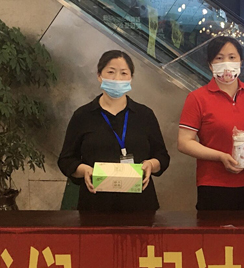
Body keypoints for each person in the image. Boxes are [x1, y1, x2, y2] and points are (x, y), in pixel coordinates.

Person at [58, 50, 170, 211]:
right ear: (99, 76)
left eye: (124, 73)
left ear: (131, 78)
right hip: (95, 204)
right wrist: (84, 170)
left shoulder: (144, 115)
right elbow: (66, 160)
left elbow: (162, 156)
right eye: (111, 72)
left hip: (139, 204)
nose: (117, 78)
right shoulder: (83, 115)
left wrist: (151, 164)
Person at [177, 36, 244, 211]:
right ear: (210, 65)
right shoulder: (197, 98)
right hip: (214, 185)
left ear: (241, 62)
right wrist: (221, 156)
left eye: (232, 57)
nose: (226, 63)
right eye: (219, 58)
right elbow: (184, 142)